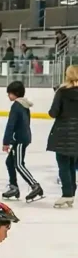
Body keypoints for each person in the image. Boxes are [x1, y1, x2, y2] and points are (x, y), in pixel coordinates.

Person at [2, 79, 42, 203]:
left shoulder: (16, 105)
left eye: (9, 93)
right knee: (9, 162)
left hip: (19, 139)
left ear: (15, 93)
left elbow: (11, 124)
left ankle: (35, 185)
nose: (8, 96)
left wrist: (6, 141)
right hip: (23, 137)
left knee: (18, 164)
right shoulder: (24, 105)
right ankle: (14, 187)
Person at [47, 64, 78, 207]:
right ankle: (71, 192)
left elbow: (53, 112)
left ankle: (67, 194)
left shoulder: (62, 92)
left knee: (64, 165)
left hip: (63, 133)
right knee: (72, 164)